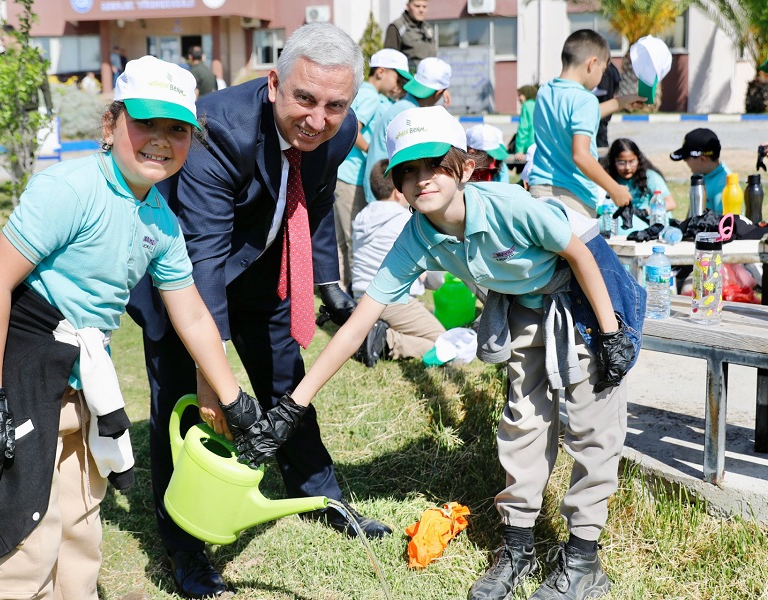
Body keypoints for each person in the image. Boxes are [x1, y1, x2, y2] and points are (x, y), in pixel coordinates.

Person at [229, 105, 645, 600]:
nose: (423, 180)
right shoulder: (417, 236)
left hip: (585, 288)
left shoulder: (509, 204)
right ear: (396, 183)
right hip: (526, 300)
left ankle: (583, 561)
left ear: (464, 168)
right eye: (409, 171)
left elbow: (578, 252)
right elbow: (359, 321)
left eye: (434, 165)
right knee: (522, 423)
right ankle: (517, 549)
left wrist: (610, 332)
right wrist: (291, 408)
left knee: (592, 423)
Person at [0, 56, 259, 600]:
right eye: (146, 123)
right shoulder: (70, 189)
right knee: (27, 539)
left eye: (178, 129)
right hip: (17, 371)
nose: (161, 140)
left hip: (80, 377)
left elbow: (192, 312)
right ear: (111, 124)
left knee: (80, 521)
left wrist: (233, 396)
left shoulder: (160, 221)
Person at [124, 23, 393, 599]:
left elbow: (315, 207)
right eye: (304, 99)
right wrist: (212, 378)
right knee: (184, 402)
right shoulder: (218, 129)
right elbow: (201, 256)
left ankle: (323, 498)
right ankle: (185, 547)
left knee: (284, 380)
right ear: (273, 84)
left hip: (264, 272)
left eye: (334, 105)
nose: (318, 120)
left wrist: (328, 286)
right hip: (184, 280)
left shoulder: (339, 133)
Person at [528, 29, 644, 218]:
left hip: (539, 193)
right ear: (592, 64)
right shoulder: (585, 99)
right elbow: (581, 156)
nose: (602, 77)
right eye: (604, 71)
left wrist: (621, 102)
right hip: (572, 200)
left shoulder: (545, 91)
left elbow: (575, 116)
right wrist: (615, 189)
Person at [350, 158, 445, 366]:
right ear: (397, 191)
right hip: (394, 300)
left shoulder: (361, 217)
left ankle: (377, 330)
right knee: (445, 346)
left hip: (360, 298)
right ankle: (386, 341)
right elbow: (429, 276)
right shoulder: (404, 221)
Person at [335, 48, 411, 291]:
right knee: (354, 237)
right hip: (351, 176)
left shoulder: (364, 94)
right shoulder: (369, 96)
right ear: (381, 72)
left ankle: (340, 288)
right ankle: (354, 294)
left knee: (344, 238)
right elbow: (352, 130)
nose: (399, 86)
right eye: (397, 79)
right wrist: (372, 151)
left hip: (346, 175)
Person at [363, 56, 451, 203]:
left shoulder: (404, 105)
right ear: (439, 92)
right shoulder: (412, 115)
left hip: (379, 188)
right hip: (389, 194)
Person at [384, 0, 451, 107]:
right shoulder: (397, 27)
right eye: (417, 6)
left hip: (427, 90)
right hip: (407, 89)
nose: (421, 10)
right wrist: (395, 88)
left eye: (424, 7)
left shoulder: (428, 29)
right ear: (407, 6)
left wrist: (442, 88)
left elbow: (434, 63)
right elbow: (389, 62)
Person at [669, 128, 736, 213]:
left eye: (686, 158)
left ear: (703, 159)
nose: (684, 161)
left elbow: (725, 224)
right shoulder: (702, 175)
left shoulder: (723, 186)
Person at [604, 138, 676, 214]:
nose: (627, 167)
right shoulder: (608, 179)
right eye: (621, 163)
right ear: (613, 161)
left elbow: (670, 203)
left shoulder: (650, 177)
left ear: (638, 160)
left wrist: (644, 212)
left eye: (632, 162)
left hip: (649, 220)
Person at [593, 61, 621, 151]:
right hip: (606, 105)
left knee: (601, 137)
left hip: (603, 106)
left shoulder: (606, 69)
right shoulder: (612, 68)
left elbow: (603, 89)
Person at [512, 84, 537, 161]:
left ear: (527, 94)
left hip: (529, 146)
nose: (518, 98)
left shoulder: (527, 105)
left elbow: (523, 128)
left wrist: (519, 150)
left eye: (520, 95)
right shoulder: (538, 104)